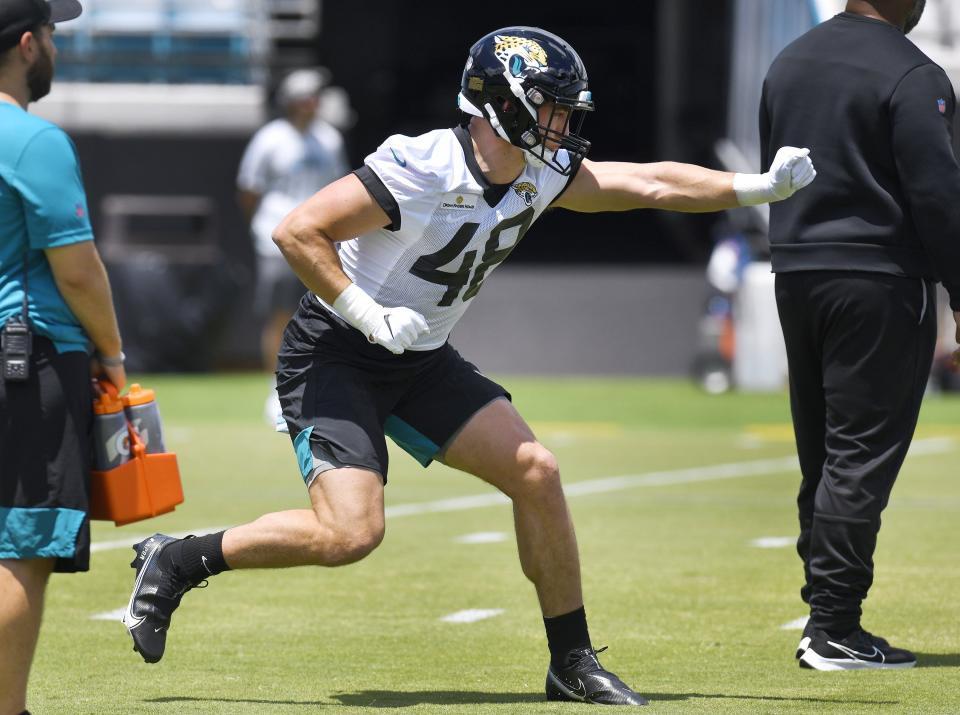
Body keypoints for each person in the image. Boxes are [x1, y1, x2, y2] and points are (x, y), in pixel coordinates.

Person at [124, 26, 815, 705]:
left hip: (419, 356)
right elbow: (296, 230)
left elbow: (651, 183)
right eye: (550, 106)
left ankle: (570, 660)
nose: (563, 122)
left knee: (536, 472)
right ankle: (180, 558)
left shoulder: (538, 171)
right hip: (336, 352)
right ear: (503, 105)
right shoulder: (423, 165)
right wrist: (368, 312)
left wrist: (755, 187)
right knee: (351, 533)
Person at [760, 0, 960, 671]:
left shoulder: (788, 63)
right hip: (878, 278)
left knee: (822, 455)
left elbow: (775, 175)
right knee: (858, 455)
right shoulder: (913, 73)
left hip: (796, 272)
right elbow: (938, 195)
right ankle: (834, 627)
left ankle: (824, 614)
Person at [0, 1, 126, 714]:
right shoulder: (32, 140)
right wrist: (112, 351)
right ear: (26, 44)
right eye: (51, 33)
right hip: (26, 357)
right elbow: (77, 269)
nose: (53, 45)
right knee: (19, 541)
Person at [236, 68, 349, 421]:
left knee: (327, 313)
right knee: (280, 315)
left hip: (319, 240)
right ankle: (276, 389)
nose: (315, 102)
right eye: (308, 96)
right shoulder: (270, 139)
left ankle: (318, 384)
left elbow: (340, 190)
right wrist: (267, 226)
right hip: (278, 241)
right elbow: (249, 190)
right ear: (293, 101)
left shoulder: (330, 139)